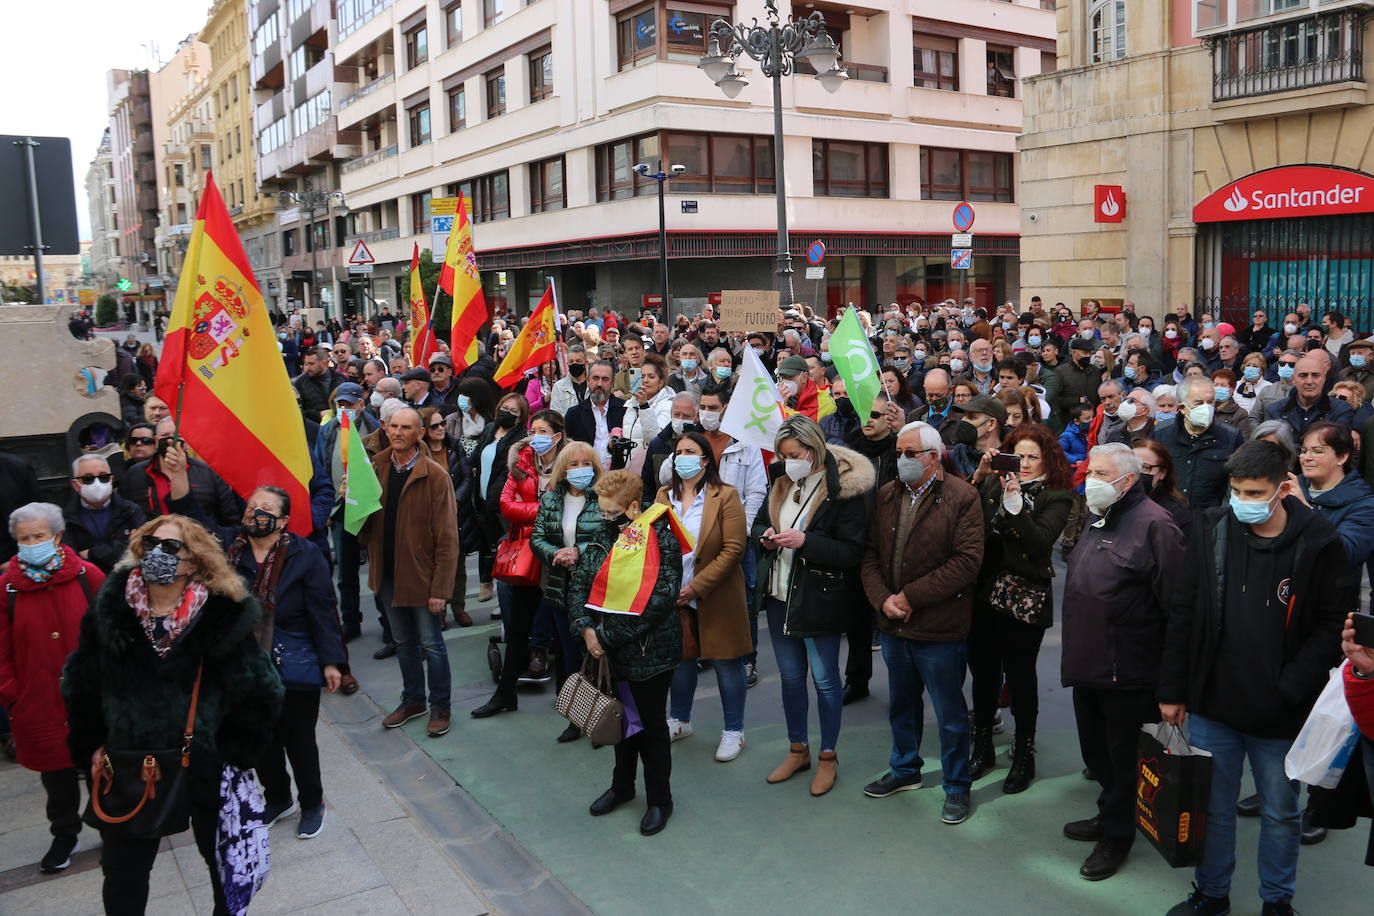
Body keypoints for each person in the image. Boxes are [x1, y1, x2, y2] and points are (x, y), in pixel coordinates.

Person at [1159, 440, 1357, 916]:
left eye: (1254, 492)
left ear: (1284, 488)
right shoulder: (1211, 529)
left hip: (1281, 713)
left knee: (1282, 814)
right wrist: (1172, 688)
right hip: (1213, 705)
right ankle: (1212, 894)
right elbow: (1183, 611)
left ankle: (1276, 902)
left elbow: (1333, 624)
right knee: (1214, 809)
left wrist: (1288, 688)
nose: (1243, 502)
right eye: (1236, 491)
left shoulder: (1319, 541)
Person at [61, 513, 283, 914]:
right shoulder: (110, 612)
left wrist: (231, 754)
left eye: (169, 547)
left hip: (202, 767)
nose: (156, 555)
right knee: (123, 873)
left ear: (195, 562)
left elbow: (263, 691)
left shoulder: (221, 617)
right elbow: (81, 682)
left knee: (223, 866)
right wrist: (90, 746)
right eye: (149, 544)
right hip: (128, 763)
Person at [176, 482, 345, 840]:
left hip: (293, 660)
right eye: (252, 507)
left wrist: (333, 662)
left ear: (283, 521)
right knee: (260, 737)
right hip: (242, 665)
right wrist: (177, 477)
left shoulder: (305, 555)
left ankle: (312, 802)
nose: (256, 514)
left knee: (299, 739)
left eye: (266, 509)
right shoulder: (228, 548)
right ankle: (278, 798)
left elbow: (323, 611)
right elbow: (191, 520)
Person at [1061, 443, 1184, 882]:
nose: (1089, 478)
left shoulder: (1155, 526)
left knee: (1123, 756)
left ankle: (1118, 835)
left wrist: (1172, 688)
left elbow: (1178, 610)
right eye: (1089, 470)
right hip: (1089, 663)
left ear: (1128, 480)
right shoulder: (1101, 515)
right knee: (1099, 754)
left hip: (1128, 669)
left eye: (1099, 472)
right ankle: (1109, 813)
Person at [859, 421, 982, 824]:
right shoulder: (887, 495)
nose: (901, 460)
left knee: (949, 713)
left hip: (940, 627)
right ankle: (905, 769)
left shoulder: (963, 496)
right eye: (898, 452)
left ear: (933, 456)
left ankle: (957, 786)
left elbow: (966, 562)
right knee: (902, 704)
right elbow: (871, 555)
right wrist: (883, 600)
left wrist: (910, 597)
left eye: (909, 453)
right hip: (895, 624)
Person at [754, 416, 874, 797]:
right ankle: (797, 749)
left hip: (819, 597)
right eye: (784, 455)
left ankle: (827, 756)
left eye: (795, 454)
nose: (789, 461)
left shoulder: (845, 489)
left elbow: (852, 552)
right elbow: (758, 524)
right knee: (791, 678)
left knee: (824, 681)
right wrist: (767, 537)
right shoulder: (782, 480)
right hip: (779, 594)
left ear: (815, 447)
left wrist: (806, 541)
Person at [568, 470, 684, 837]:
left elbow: (657, 602)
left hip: (649, 653)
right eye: (600, 511)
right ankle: (622, 787)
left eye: (610, 512)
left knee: (650, 727)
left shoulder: (661, 538)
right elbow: (579, 588)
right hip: (608, 651)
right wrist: (586, 629)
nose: (604, 518)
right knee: (619, 722)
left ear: (633, 507)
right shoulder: (603, 537)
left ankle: (659, 799)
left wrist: (604, 636)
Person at [968, 425, 1072, 795]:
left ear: (1047, 460)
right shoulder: (994, 484)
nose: (1024, 464)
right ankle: (981, 743)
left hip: (1023, 599)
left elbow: (1039, 544)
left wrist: (1015, 508)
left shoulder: (1057, 495)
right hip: (983, 595)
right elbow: (968, 521)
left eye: (1033, 457)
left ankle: (1024, 751)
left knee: (1021, 677)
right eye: (1019, 456)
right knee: (982, 674)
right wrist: (980, 477)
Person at [0, 503, 104, 875]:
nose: (31, 544)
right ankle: (64, 833)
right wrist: (12, 691)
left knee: (100, 768)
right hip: (37, 699)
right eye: (24, 539)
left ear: (57, 537)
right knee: (55, 776)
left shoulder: (86, 576)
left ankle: (108, 826)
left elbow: (110, 632)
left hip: (89, 697)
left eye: (38, 536)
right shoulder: (7, 586)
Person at [363, 408, 459, 738]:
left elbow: (447, 538)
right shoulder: (376, 467)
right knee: (403, 641)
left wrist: (440, 590)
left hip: (421, 577)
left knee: (431, 644)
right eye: (393, 426)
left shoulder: (434, 476)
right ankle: (413, 699)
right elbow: (363, 530)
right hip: (388, 573)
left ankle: (440, 706)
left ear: (420, 433)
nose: (398, 432)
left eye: (406, 427)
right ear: (386, 428)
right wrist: (351, 503)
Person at [658, 431, 751, 762]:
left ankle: (733, 730)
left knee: (727, 664)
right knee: (682, 660)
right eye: (678, 451)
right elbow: (653, 543)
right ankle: (680, 720)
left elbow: (734, 548)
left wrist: (697, 586)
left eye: (690, 451)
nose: (682, 457)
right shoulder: (663, 496)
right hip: (674, 595)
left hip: (716, 594)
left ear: (705, 460)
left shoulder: (725, 495)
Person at [472, 409, 567, 717]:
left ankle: (569, 701)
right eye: (533, 429)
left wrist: (531, 510)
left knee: (564, 632)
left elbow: (571, 506)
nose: (535, 436)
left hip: (557, 556)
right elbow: (505, 503)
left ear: (557, 435)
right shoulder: (521, 459)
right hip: (525, 555)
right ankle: (505, 694)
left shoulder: (571, 462)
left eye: (542, 431)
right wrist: (542, 511)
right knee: (517, 630)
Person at [527, 442, 605, 741]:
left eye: (586, 463)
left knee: (596, 652)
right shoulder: (551, 499)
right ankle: (576, 718)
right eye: (573, 464)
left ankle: (601, 720)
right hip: (561, 586)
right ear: (563, 469)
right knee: (569, 655)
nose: (580, 469)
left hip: (594, 588)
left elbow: (607, 537)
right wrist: (556, 553)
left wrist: (578, 551)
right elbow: (538, 538)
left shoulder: (603, 497)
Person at [121, 417, 243, 526]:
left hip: (199, 544)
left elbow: (229, 517)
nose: (171, 440)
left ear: (187, 442)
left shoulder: (209, 473)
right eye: (165, 435)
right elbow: (125, 514)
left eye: (177, 436)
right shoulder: (134, 474)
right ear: (156, 441)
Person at [473, 393, 529, 607]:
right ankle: (487, 582)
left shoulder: (520, 439)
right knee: (486, 545)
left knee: (504, 548)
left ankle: (503, 600)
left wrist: (496, 501)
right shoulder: (489, 429)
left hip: (501, 505)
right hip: (481, 498)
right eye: (504, 408)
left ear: (520, 417)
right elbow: (477, 457)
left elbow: (507, 473)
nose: (506, 413)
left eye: (513, 411)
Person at [1154, 377, 1243, 510]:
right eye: (1198, 403)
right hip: (1167, 516)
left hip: (1210, 518)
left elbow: (1239, 481)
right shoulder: (1161, 434)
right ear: (1183, 408)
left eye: (1210, 402)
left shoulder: (1231, 437)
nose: (1206, 408)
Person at [62, 455, 146, 573]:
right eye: (88, 478)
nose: (97, 483)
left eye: (103, 477)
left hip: (127, 579)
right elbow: (72, 560)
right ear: (76, 485)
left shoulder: (131, 510)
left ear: (111, 480)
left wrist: (92, 553)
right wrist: (121, 548)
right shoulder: (67, 519)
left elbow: (140, 550)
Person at [1264, 353, 1355, 437]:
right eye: (1303, 375)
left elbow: (1337, 447)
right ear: (1294, 379)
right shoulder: (1275, 410)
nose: (1309, 381)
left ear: (1324, 378)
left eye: (1315, 375)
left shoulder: (1341, 410)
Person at [565, 360, 626, 469]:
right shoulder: (574, 414)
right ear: (588, 380)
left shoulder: (625, 410)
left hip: (618, 477)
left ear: (613, 382)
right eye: (595, 378)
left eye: (605, 379)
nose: (599, 384)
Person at [1134, 439, 1191, 536]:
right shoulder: (1114, 501)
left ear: (1162, 473)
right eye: (1133, 465)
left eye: (1145, 467)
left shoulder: (1174, 513)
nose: (1136, 472)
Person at [294, 347, 345, 422]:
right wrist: (318, 414)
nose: (308, 367)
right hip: (313, 427)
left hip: (339, 424)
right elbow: (297, 411)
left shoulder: (340, 379)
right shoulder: (300, 383)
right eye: (306, 363)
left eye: (311, 364)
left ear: (323, 363)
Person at [1211, 369, 1252, 439]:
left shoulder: (1241, 414)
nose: (1218, 388)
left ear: (1232, 389)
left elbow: (1243, 440)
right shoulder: (1205, 408)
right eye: (1216, 385)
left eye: (1223, 385)